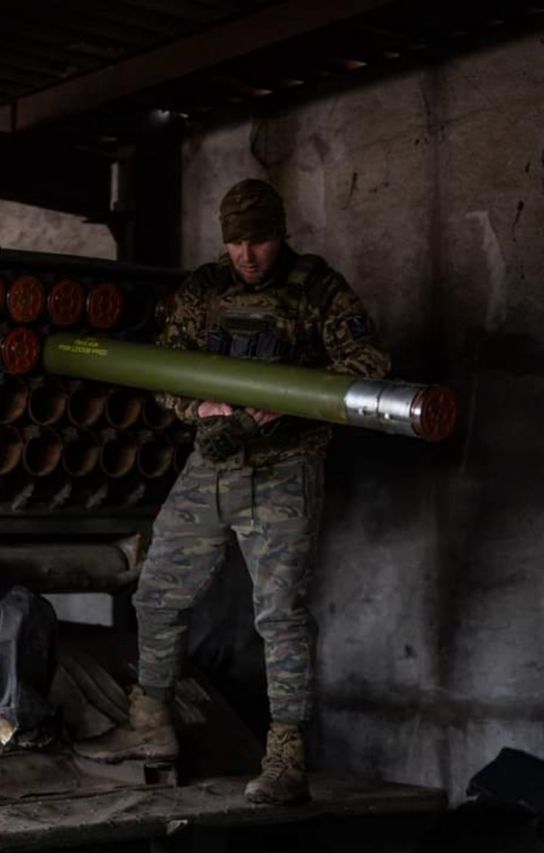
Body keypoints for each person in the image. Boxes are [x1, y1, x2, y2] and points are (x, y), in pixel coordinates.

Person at [74, 178, 390, 804]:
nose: (248, 256)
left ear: (283, 234)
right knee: (158, 591)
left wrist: (274, 408)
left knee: (280, 617)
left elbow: (367, 363)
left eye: (261, 241)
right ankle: (150, 724)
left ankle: (286, 757)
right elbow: (165, 368)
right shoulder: (205, 289)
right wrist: (202, 410)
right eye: (237, 242)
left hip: (284, 468)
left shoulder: (318, 289)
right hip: (211, 465)